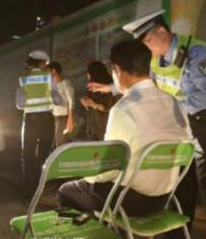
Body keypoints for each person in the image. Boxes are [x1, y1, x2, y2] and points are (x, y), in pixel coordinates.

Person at [58, 40, 190, 219]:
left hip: (130, 200)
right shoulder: (173, 101)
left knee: (67, 190)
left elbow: (109, 169)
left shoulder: (123, 109)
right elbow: (187, 146)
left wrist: (88, 177)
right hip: (164, 197)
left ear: (118, 70)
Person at [122, 10, 206, 238]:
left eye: (148, 40)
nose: (146, 47)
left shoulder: (196, 52)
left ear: (162, 32)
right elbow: (146, 86)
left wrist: (171, 109)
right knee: (180, 190)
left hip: (201, 125)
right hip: (179, 131)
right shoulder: (155, 60)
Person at [16, 50, 54, 198]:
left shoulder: (22, 79)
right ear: (41, 63)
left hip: (31, 120)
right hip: (47, 119)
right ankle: (42, 188)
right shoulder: (49, 77)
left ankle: (28, 192)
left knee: (28, 156)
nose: (46, 66)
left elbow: (19, 104)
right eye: (45, 63)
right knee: (44, 155)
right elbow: (56, 100)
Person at [80, 61, 117, 141]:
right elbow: (89, 104)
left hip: (103, 126)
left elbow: (108, 108)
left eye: (89, 72)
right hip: (92, 127)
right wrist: (85, 102)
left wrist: (93, 104)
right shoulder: (92, 86)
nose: (87, 75)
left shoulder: (108, 88)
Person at [47, 61, 75, 147]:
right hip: (54, 117)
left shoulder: (65, 83)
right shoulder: (51, 86)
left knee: (61, 142)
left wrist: (70, 119)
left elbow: (72, 102)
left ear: (53, 71)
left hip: (63, 117)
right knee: (55, 142)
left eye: (48, 71)